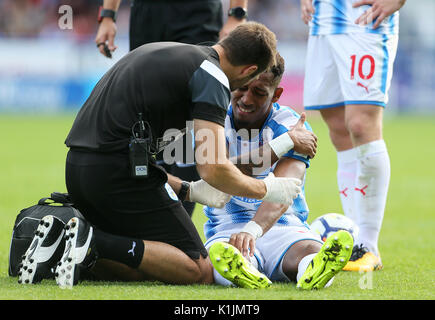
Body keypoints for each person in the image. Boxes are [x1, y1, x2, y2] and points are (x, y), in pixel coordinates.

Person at [18, 23, 318, 288]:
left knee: (151, 261)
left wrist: (188, 190)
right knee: (197, 267)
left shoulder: (174, 53)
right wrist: (266, 188)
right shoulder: (212, 77)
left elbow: (145, 158)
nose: (241, 95)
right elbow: (213, 169)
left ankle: (62, 249)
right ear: (249, 70)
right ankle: (91, 240)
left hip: (83, 167)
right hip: (117, 175)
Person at [204, 54, 353, 290]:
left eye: (259, 92)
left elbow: (285, 189)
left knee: (310, 250)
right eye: (242, 88)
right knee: (226, 254)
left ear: (276, 95)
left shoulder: (293, 125)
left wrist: (252, 230)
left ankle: (313, 268)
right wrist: (285, 143)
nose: (246, 99)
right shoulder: (213, 119)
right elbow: (218, 170)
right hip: (227, 226)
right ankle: (245, 269)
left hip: (282, 225)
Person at [95, 0, 250, 216]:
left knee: (192, 109)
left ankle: (178, 220)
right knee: (146, 113)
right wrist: (108, 15)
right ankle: (151, 212)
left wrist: (237, 14)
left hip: (198, 15)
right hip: (147, 16)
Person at [300, 0, 406, 272]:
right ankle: (356, 240)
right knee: (337, 126)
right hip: (323, 20)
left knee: (360, 124)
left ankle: (369, 243)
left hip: (365, 19)